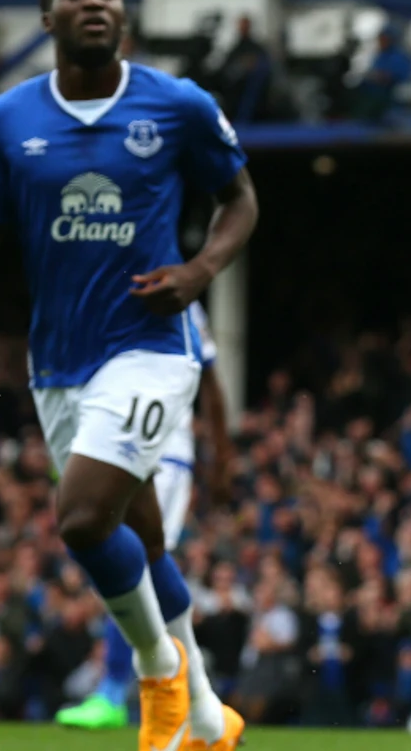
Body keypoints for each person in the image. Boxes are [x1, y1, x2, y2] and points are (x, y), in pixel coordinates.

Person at [0, 0, 258, 751]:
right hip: (58, 363)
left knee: (79, 519)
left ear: (124, 14)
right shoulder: (6, 120)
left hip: (151, 345)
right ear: (49, 18)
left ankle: (158, 678)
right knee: (141, 539)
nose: (96, 2)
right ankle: (212, 716)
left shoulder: (176, 105)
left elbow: (239, 197)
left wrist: (200, 268)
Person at [57, 300, 236, 732]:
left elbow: (210, 381)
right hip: (115, 441)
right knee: (129, 563)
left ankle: (121, 691)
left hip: (165, 450)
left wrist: (222, 456)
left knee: (139, 562)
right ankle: (195, 701)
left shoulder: (179, 298)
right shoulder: (101, 284)